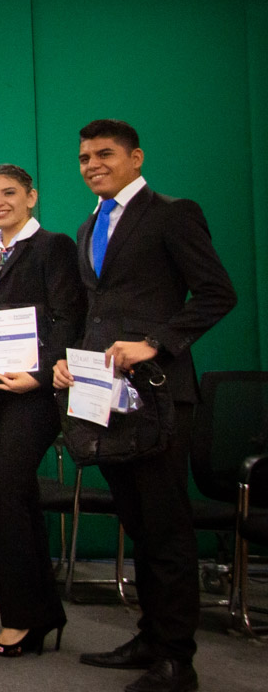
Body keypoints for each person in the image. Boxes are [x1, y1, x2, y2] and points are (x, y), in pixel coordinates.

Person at [53, 120, 235, 692]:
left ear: (136, 157)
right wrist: (68, 359)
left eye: (104, 154)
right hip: (104, 395)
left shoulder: (173, 213)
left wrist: (156, 342)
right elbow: (95, 311)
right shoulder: (88, 226)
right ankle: (150, 638)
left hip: (160, 395)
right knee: (137, 522)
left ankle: (178, 660)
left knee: (166, 528)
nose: (91, 164)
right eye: (84, 157)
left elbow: (217, 293)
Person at [0, 165, 83, 656]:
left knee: (4, 492)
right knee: (21, 499)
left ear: (31, 196)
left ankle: (20, 622)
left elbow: (69, 316)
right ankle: (44, 613)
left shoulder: (52, 246)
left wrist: (41, 372)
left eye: (9, 193)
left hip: (36, 392)